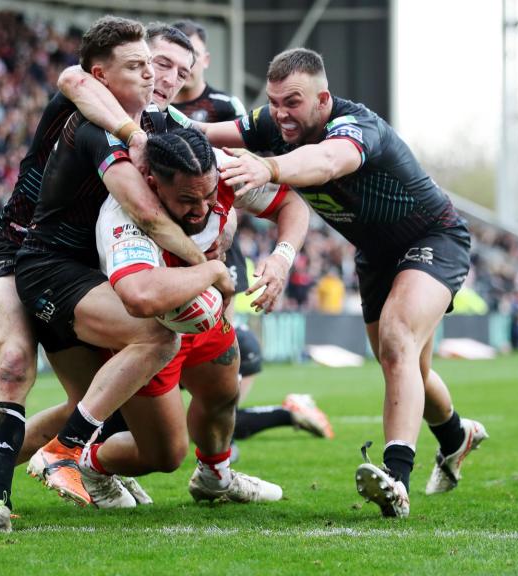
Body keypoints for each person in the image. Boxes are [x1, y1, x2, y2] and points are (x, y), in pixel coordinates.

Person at [0, 17, 209, 533]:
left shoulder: (164, 126)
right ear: (109, 71)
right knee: (16, 363)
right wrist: (209, 270)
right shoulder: (85, 107)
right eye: (152, 65)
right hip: (18, 246)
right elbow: (73, 78)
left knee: (94, 404)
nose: (162, 77)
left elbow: (216, 158)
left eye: (179, 70)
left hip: (74, 267)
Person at [200, 48, 488, 518]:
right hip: (376, 255)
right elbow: (204, 132)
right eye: (274, 102)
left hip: (433, 237)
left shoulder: (357, 127)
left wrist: (268, 167)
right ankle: (457, 437)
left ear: (322, 98)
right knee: (407, 364)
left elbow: (329, 161)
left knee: (398, 340)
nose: (280, 113)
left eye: (292, 102)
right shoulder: (275, 124)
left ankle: (396, 478)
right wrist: (140, 121)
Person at [76, 129, 307, 506]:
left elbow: (292, 204)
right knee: (165, 456)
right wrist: (213, 274)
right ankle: (88, 464)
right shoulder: (125, 209)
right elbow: (141, 297)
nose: (201, 209)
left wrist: (281, 256)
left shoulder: (224, 169)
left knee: (223, 393)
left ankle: (215, 475)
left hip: (204, 310)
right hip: (151, 332)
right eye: (186, 199)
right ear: (152, 184)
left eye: (210, 196)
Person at [171, 20, 334, 454]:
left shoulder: (224, 106)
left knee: (227, 372)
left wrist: (272, 251)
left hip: (216, 258)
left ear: (202, 59)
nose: (176, 72)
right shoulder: (135, 115)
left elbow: (251, 171)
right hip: (151, 268)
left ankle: (217, 453)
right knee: (174, 395)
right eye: (164, 63)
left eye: (188, 57)